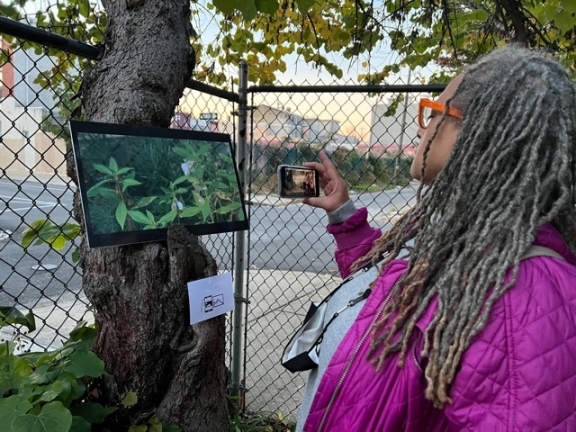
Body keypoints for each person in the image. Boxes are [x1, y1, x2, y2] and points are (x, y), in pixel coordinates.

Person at [293, 46, 576, 431]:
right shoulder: (456, 234)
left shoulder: (523, 293)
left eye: (433, 111)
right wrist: (344, 216)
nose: (421, 127)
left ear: (479, 133)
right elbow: (390, 287)